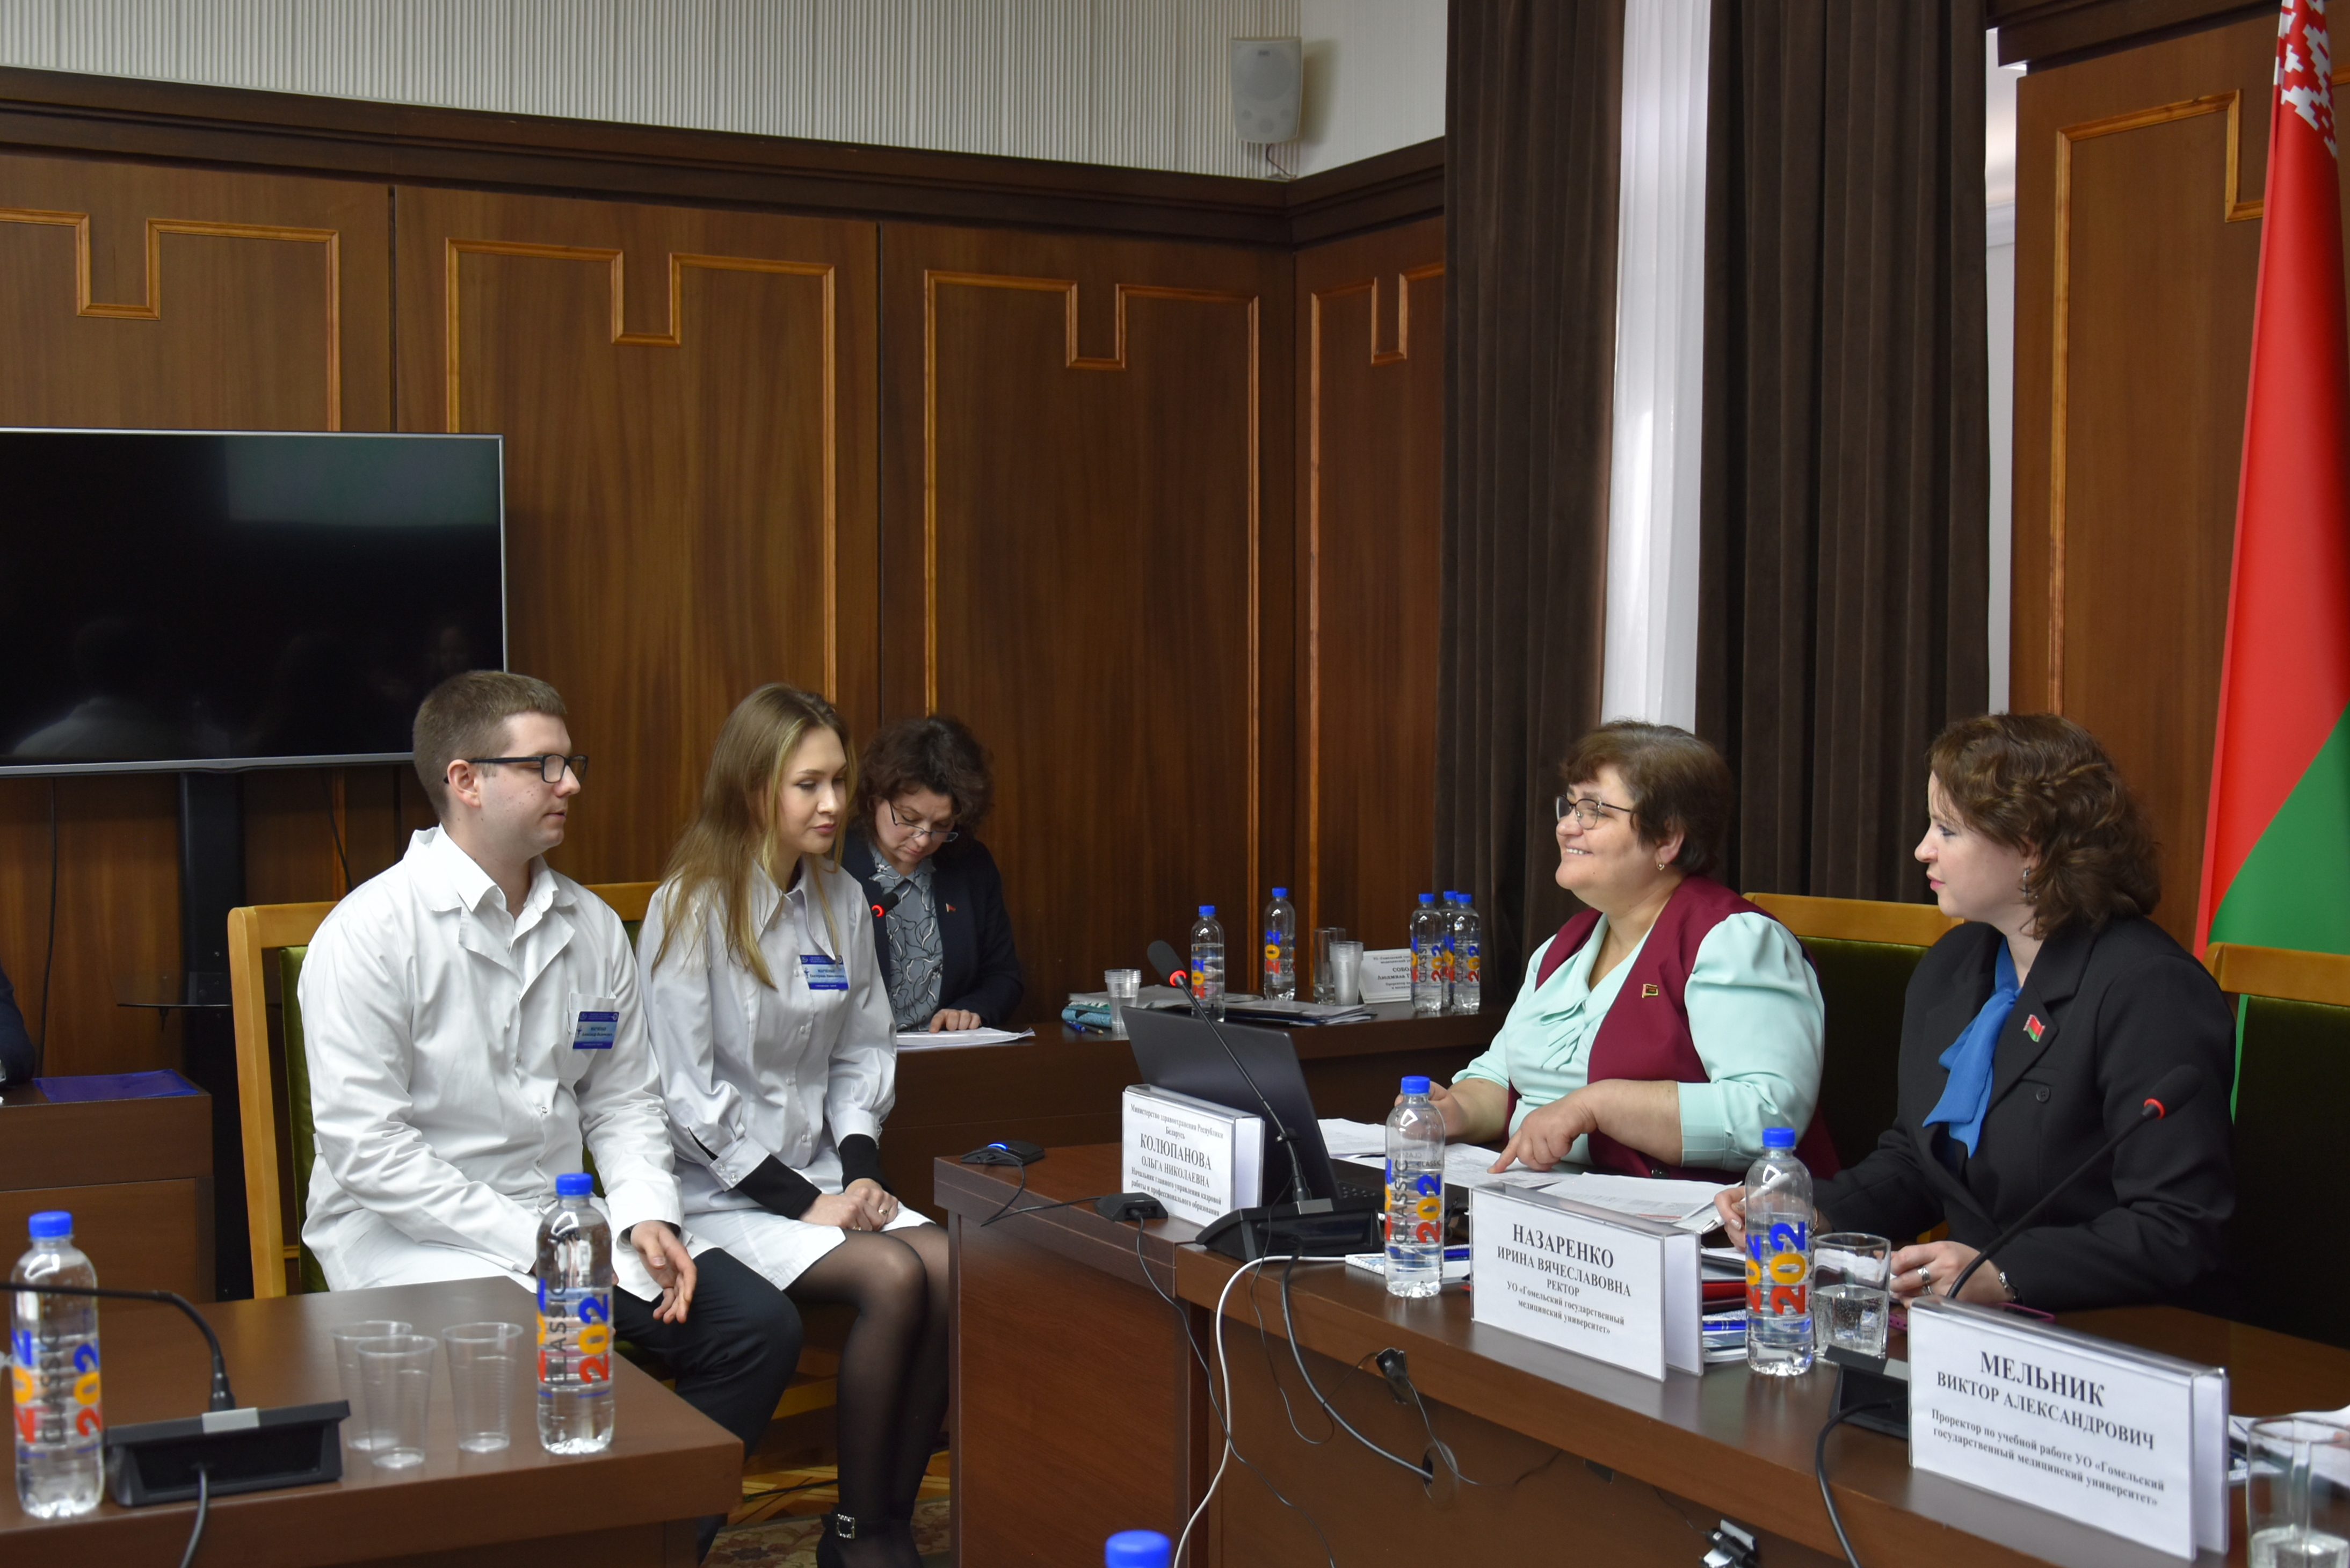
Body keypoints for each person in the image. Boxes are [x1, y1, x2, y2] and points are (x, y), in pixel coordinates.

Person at [299, 672, 803, 1559]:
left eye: (572, 764)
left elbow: (623, 1096)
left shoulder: (592, 926)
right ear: (465, 780)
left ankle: (651, 1549)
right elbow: (369, 1152)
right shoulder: (371, 932)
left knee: (757, 1329)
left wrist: (645, 1215)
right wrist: (538, 1244)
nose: (570, 784)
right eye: (544, 766)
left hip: (567, 1222)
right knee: (550, 1354)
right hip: (414, 1236)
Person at [1712, 713, 2237, 1312]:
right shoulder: (1954, 964)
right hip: (1974, 1325)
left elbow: (2179, 1226)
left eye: (1947, 829)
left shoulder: (2149, 988)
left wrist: (2008, 1272)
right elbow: (1919, 1160)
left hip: (2122, 1326)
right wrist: (1812, 1211)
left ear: (2030, 845)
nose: (1922, 849)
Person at [640, 685, 945, 1568]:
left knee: (957, 1268)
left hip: (822, 1178)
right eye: (808, 785)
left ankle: (878, 1524)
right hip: (722, 1198)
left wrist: (860, 1170)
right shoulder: (691, 906)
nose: (833, 804)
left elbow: (862, 1054)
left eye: (839, 781)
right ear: (753, 790)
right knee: (895, 1275)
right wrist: (805, 1203)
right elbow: (686, 1099)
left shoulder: (842, 899)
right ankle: (861, 1532)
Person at [1433, 721, 1831, 1179]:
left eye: (1594, 811)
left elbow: (1767, 1116)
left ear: (1667, 839)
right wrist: (1457, 1110)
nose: (1565, 827)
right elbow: (1503, 1078)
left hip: (1701, 1214)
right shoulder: (1563, 948)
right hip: (1549, 1204)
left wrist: (1598, 1105)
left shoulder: (1734, 941)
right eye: (1569, 806)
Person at [839, 714, 1022, 1032]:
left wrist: (971, 1010)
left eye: (942, 825)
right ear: (876, 798)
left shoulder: (970, 866)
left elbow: (1003, 976)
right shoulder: (833, 863)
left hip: (940, 1052)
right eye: (909, 819)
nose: (924, 839)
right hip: (853, 1054)